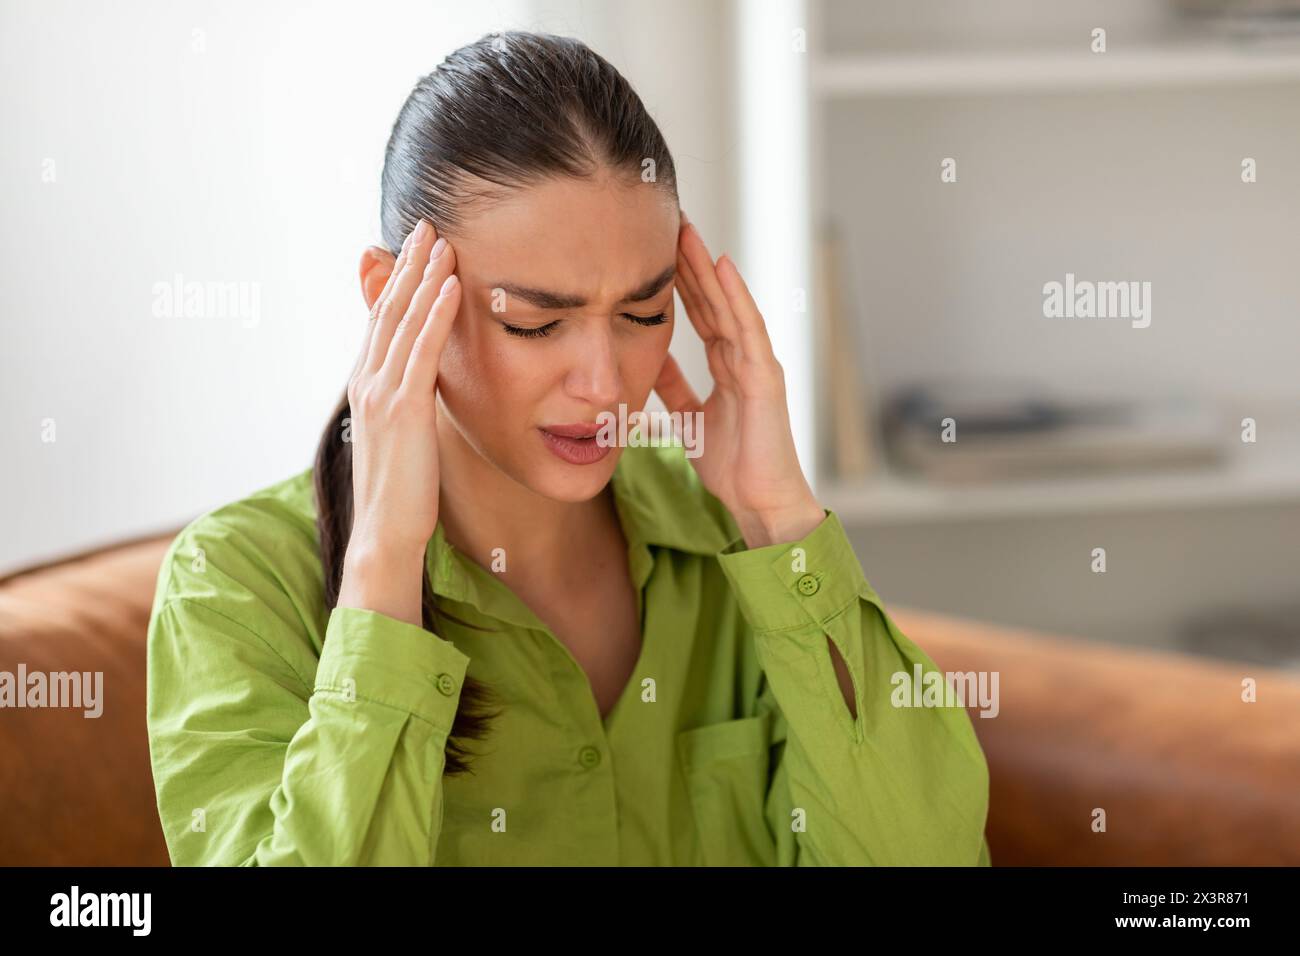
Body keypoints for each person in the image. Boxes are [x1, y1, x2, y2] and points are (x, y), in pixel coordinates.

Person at [145, 29, 991, 866]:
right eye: (535, 322)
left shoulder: (732, 534)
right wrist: (383, 571)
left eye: (643, 314)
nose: (604, 382)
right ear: (392, 298)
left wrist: (779, 520)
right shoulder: (233, 585)